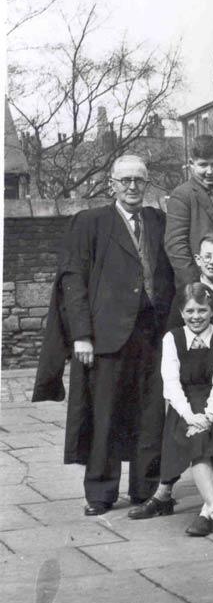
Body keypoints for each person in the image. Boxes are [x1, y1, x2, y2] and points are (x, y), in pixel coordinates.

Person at [33, 155, 175, 516]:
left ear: (147, 183)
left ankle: (145, 489)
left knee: (150, 413)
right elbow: (72, 280)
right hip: (106, 335)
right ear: (111, 183)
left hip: (151, 332)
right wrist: (81, 334)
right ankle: (100, 491)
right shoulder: (91, 222)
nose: (132, 187)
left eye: (139, 181)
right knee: (104, 414)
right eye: (125, 180)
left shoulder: (158, 220)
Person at [157, 283, 213, 537]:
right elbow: (171, 383)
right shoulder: (172, 338)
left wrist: (209, 414)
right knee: (198, 441)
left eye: (202, 310)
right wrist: (190, 416)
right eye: (190, 311)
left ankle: (207, 513)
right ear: (182, 312)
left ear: (211, 311)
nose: (196, 316)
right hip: (185, 406)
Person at [164, 135, 213, 286]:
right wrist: (195, 285)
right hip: (197, 285)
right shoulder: (182, 195)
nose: (210, 171)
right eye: (203, 165)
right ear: (191, 164)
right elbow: (176, 246)